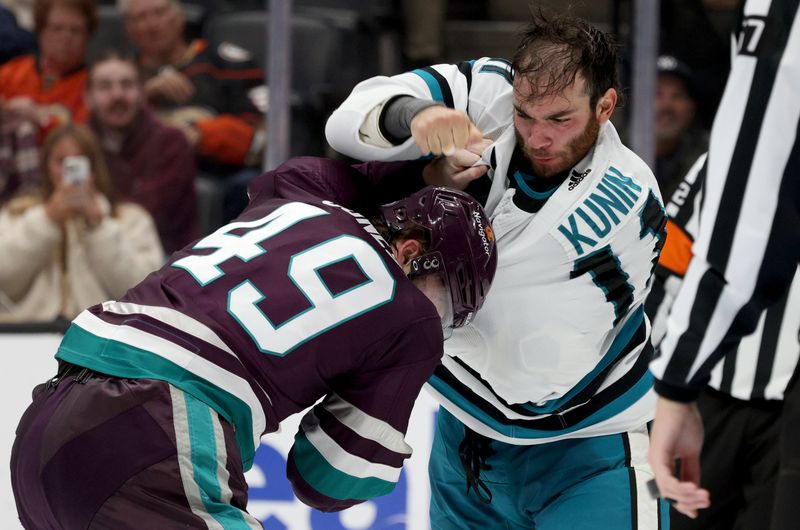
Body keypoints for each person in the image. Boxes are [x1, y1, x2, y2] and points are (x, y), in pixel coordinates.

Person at [10, 155, 498, 527]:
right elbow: (329, 479)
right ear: (412, 252)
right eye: (447, 299)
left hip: (50, 415)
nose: (441, 319)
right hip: (157, 426)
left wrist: (425, 169)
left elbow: (339, 174)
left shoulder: (300, 191)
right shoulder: (412, 320)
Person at [326, 9, 669, 529]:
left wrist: (427, 180)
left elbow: (468, 299)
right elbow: (346, 122)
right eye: (526, 116)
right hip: (466, 440)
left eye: (560, 120)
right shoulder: (494, 89)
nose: (537, 137)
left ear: (606, 106)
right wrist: (414, 116)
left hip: (589, 448)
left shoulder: (622, 190)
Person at [647, 1, 800, 528]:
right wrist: (659, 374)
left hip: (785, 408)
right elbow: (666, 264)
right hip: (708, 391)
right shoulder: (721, 166)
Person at [0, 123, 163, 323]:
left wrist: (98, 226)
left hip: (102, 336)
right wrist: (46, 220)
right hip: (29, 334)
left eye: (80, 162)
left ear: (95, 169)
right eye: (61, 161)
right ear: (46, 167)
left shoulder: (132, 219)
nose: (70, 171)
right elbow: (4, 281)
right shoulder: (16, 213)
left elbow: (143, 294)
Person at [119, 0, 265, 173]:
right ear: (128, 29)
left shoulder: (226, 63)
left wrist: (199, 135)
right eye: (141, 17)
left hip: (219, 174)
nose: (152, 25)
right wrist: (142, 95)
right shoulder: (118, 78)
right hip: (142, 175)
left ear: (180, 17)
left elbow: (260, 137)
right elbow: (99, 139)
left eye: (159, 13)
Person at [86, 51, 198, 255]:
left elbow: (150, 215)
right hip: (93, 255)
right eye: (104, 87)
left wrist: (91, 211)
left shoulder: (171, 143)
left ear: (142, 94)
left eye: (127, 85)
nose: (117, 95)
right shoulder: (78, 147)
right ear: (88, 98)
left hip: (164, 262)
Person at [0, 0, 97, 131]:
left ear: (88, 36)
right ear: (40, 31)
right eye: (57, 28)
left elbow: (84, 135)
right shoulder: (12, 72)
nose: (66, 38)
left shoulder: (93, 85)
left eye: (76, 30)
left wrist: (41, 119)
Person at [653, 55, 708, 196]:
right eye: (657, 94)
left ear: (691, 108)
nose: (667, 106)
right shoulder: (608, 151)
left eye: (677, 96)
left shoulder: (708, 159)